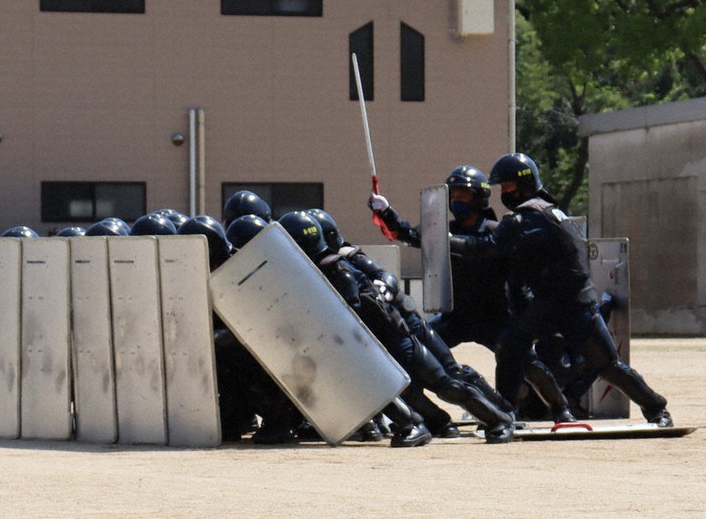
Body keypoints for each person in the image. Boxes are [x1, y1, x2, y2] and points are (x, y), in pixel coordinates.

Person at [448, 153, 673, 427]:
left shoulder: (527, 218)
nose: (504, 193)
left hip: (576, 304)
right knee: (510, 347)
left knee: (606, 365)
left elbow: (486, 248)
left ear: (526, 183)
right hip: (549, 303)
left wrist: (446, 240)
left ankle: (657, 410)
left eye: (508, 187)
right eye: (502, 188)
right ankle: (505, 415)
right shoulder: (547, 210)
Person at [279, 211, 512, 444]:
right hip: (382, 341)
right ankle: (433, 423)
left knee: (447, 384)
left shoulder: (337, 268)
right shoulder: (318, 271)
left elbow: (353, 314)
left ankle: (499, 418)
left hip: (397, 335)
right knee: (405, 392)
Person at [369, 166, 576, 423]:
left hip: (495, 316)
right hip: (456, 316)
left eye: (463, 197)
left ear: (479, 199)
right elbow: (408, 235)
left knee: (526, 362)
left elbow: (519, 272)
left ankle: (560, 408)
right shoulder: (442, 231)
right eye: (453, 197)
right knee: (417, 354)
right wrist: (386, 212)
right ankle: (434, 415)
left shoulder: (495, 230)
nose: (457, 202)